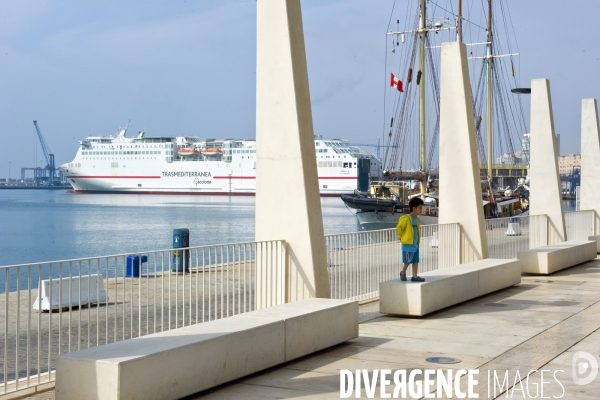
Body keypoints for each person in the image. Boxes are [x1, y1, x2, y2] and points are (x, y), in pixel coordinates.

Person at [396, 197, 425, 282]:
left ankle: (414, 276)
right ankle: (403, 272)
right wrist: (401, 238)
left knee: (416, 260)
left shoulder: (417, 220)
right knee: (407, 261)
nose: (421, 210)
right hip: (407, 245)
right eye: (420, 207)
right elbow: (399, 228)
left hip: (415, 244)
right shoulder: (406, 218)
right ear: (414, 208)